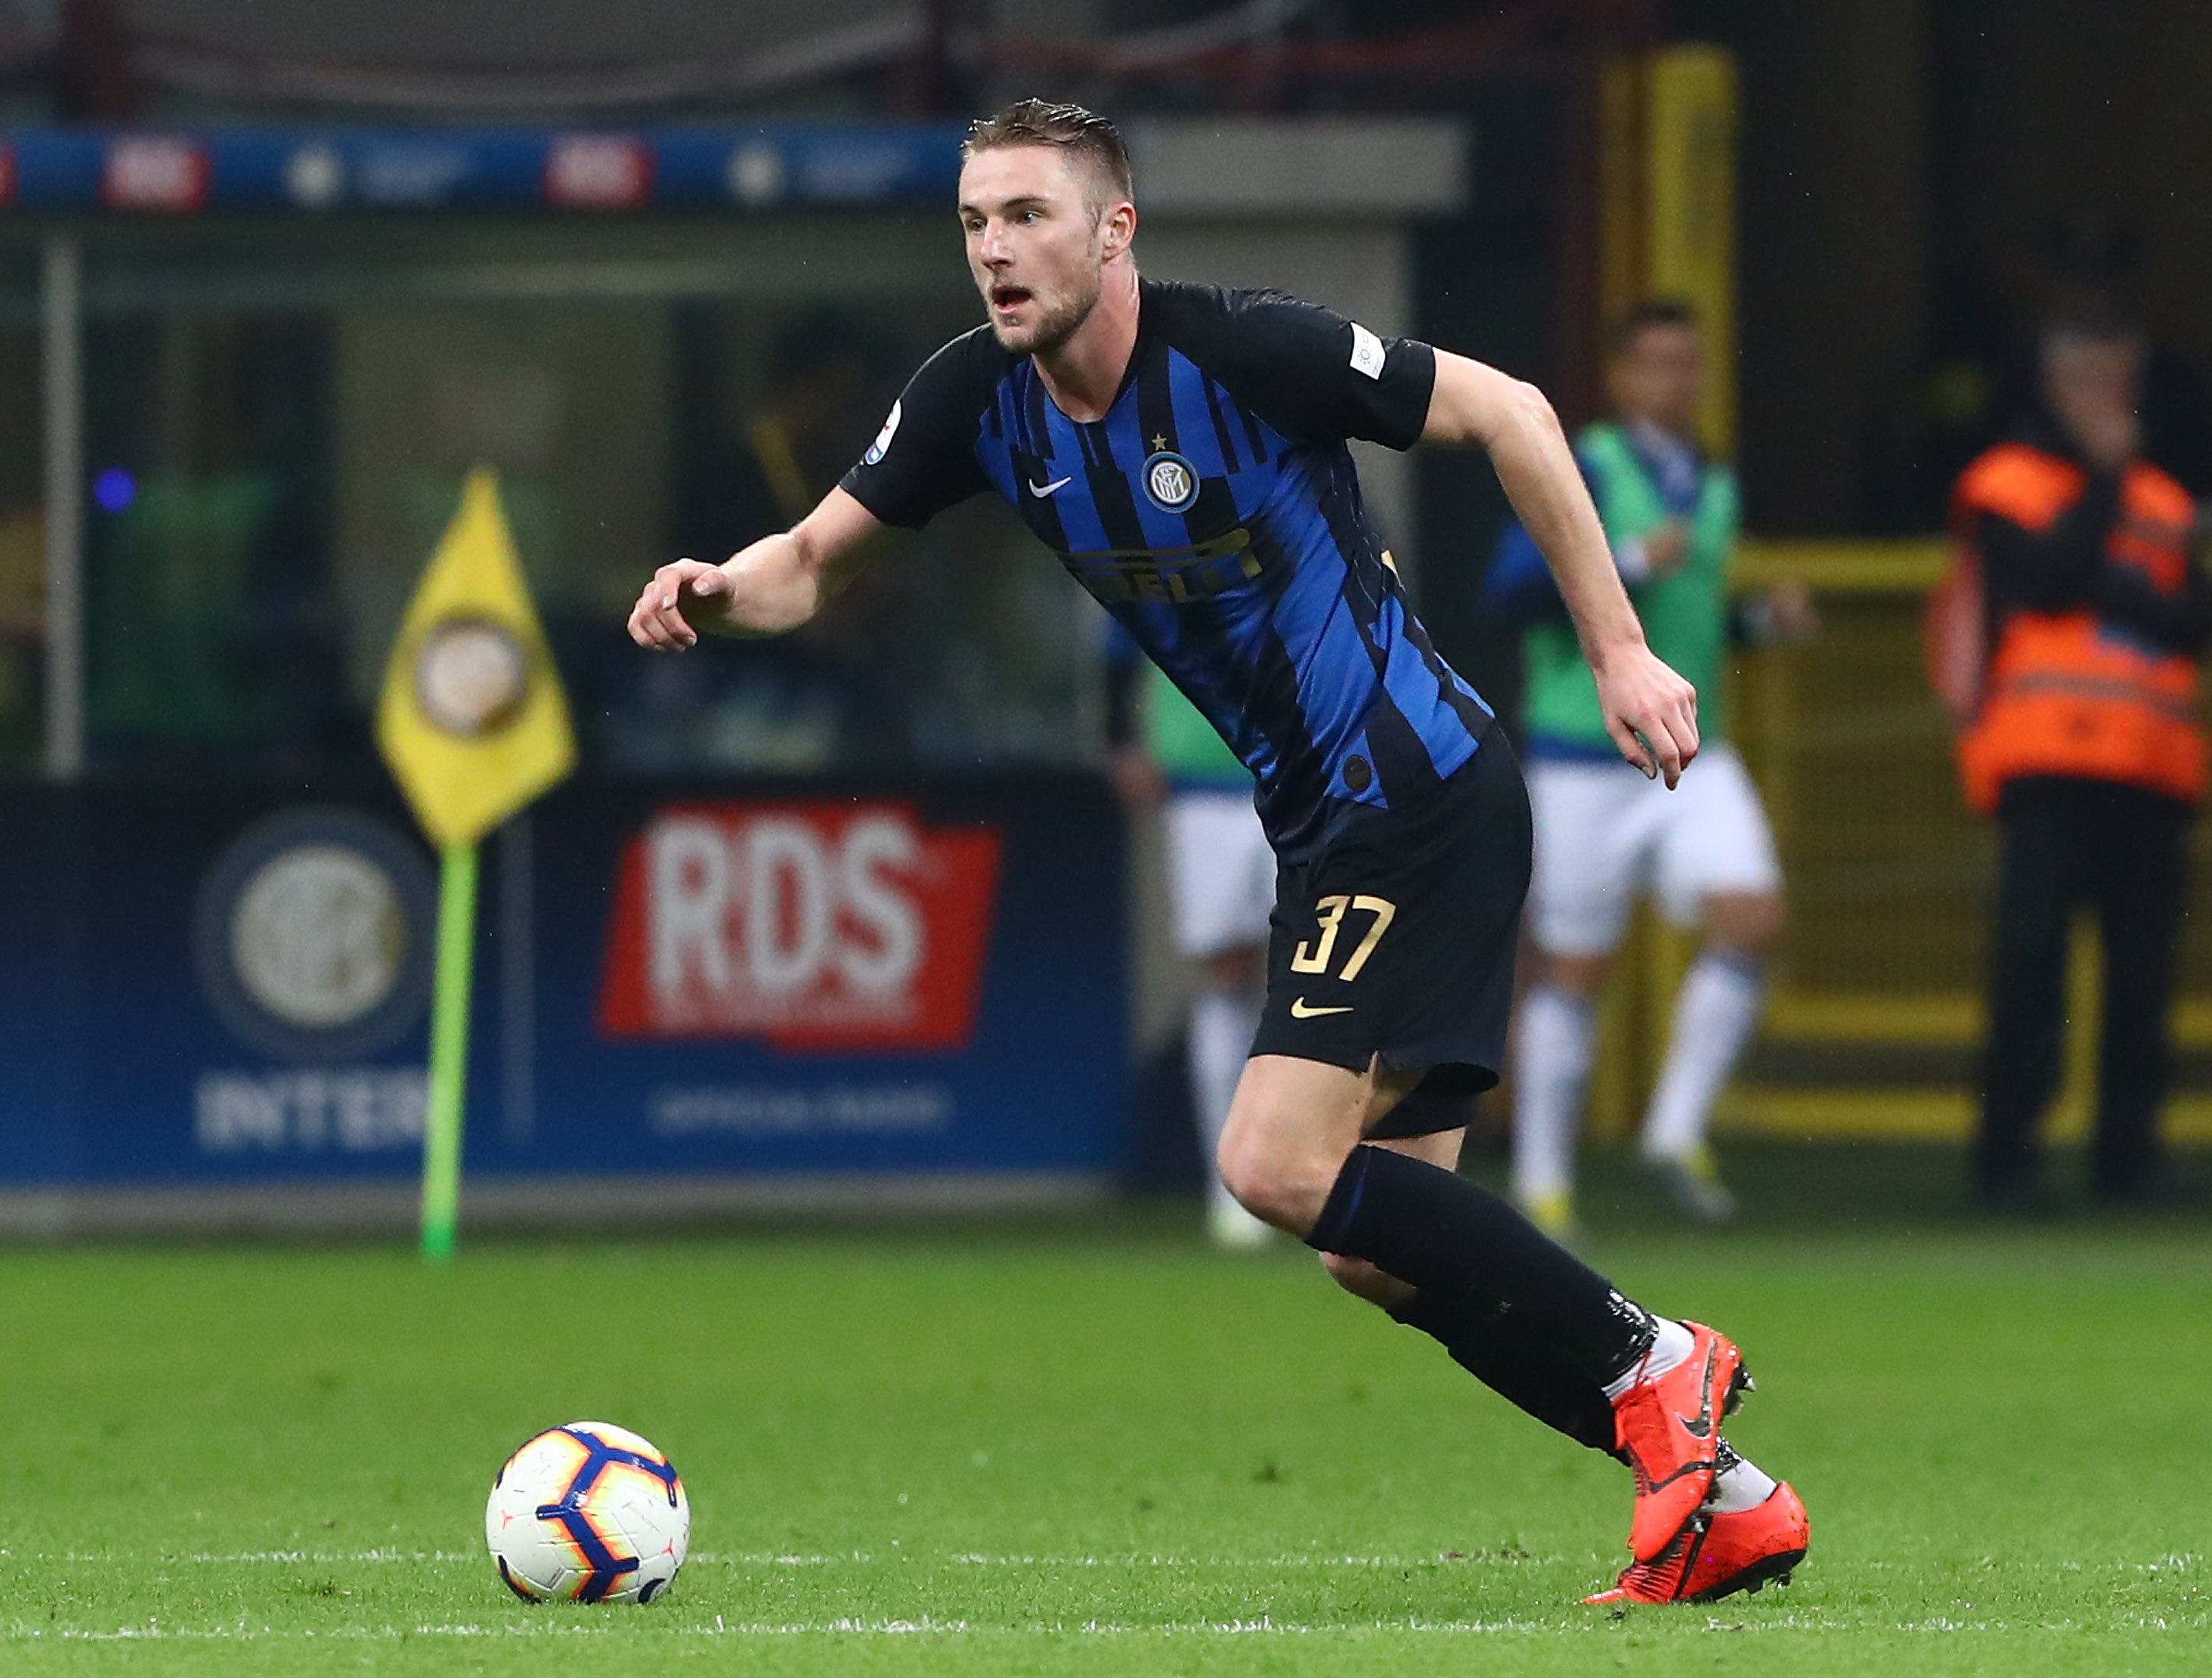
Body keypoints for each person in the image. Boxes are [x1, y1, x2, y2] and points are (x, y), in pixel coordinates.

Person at [629, 99, 1807, 1605]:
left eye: (1030, 216)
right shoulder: (971, 400)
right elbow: (804, 565)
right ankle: (1726, 1494)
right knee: (1376, 1248)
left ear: (1114, 228)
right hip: (1339, 824)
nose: (997, 249)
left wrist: (1624, 651)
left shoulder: (1245, 348)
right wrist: (714, 591)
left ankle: (1663, 1363)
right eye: (978, 221)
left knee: (1268, 1160)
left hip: (1413, 789)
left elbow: (1511, 408)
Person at [1485, 299, 1816, 1234]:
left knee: (1753, 918)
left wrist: (1760, 625)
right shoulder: (1583, 463)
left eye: (1691, 363)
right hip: (1584, 753)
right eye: (1659, 363)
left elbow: (1689, 625)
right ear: (1622, 376)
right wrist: (1626, 556)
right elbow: (1506, 592)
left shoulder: (1713, 482)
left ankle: (1674, 1127)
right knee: (1575, 969)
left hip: (1689, 744)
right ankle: (1545, 1180)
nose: (1678, 381)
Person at [1941, 316, 2210, 1212]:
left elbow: (2190, 618)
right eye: (2091, 378)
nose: (2110, 397)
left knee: (2143, 972)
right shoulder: (2007, 482)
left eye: (2121, 378)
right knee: (2030, 963)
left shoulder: (2168, 500)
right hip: (2047, 762)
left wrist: (2119, 575)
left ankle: (2125, 1162)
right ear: (2054, 384)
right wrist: (2104, 482)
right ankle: (2006, 1161)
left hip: (2153, 766)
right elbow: (2050, 578)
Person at [1106, 644, 1279, 1249]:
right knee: (1227, 974)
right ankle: (1231, 1187)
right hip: (1204, 769)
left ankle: (1318, 1183)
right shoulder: (1163, 547)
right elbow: (1117, 632)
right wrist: (1122, 737)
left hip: (1307, 767)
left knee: (1321, 972)